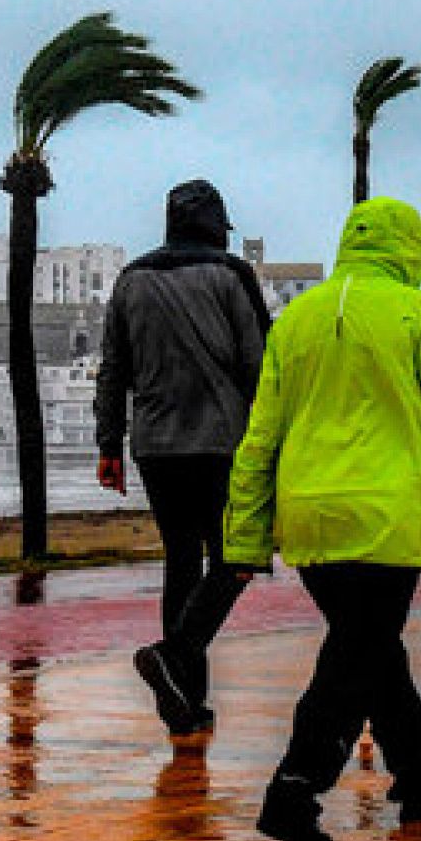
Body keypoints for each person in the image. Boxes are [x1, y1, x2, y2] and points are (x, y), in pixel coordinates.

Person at [222, 197, 421, 841]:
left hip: (310, 518)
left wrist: (245, 536)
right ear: (412, 248)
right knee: (356, 656)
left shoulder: (296, 320)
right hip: (385, 516)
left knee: (373, 648)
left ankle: (415, 779)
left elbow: (260, 437)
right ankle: (294, 789)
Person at [93, 179, 270, 736]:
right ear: (217, 225)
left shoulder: (132, 280)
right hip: (222, 443)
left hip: (155, 446)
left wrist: (109, 445)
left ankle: (185, 706)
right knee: (237, 558)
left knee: (181, 562)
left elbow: (113, 370)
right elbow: (260, 366)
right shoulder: (230, 276)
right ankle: (175, 657)